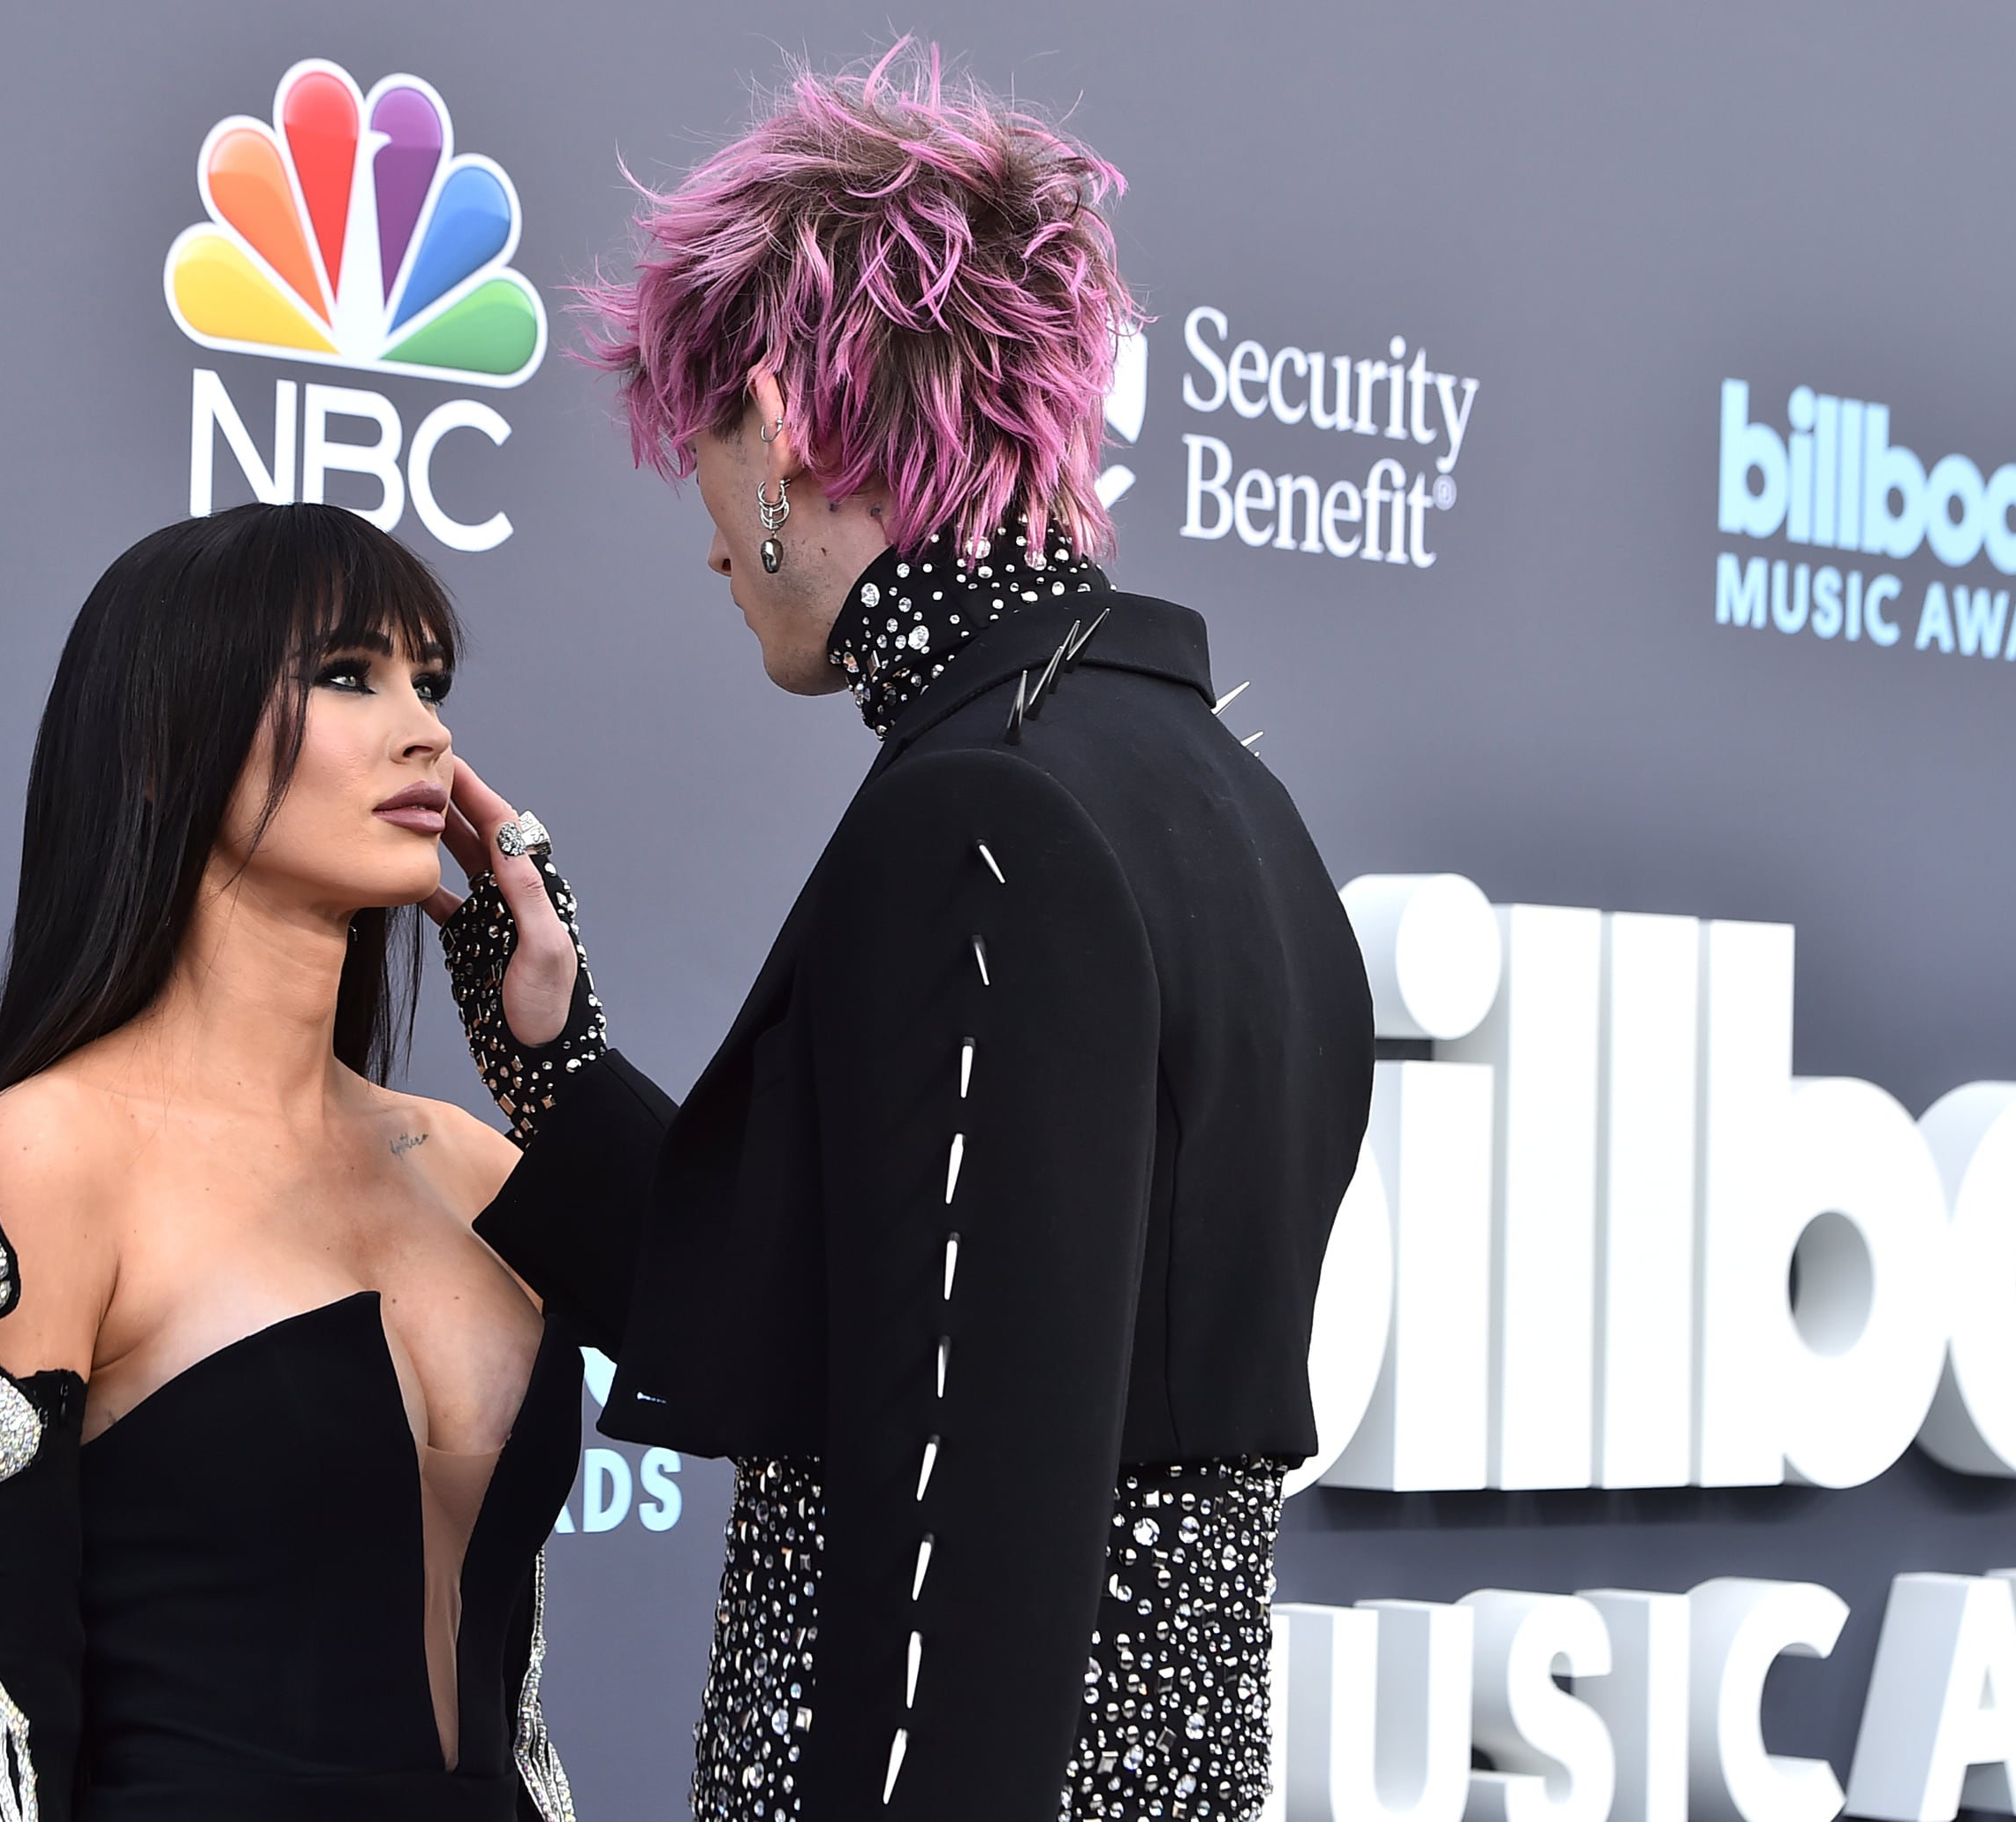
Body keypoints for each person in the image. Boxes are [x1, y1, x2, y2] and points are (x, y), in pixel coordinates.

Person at [428, 44, 1375, 1822]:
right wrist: (550, 1052)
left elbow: (969, 1520)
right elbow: (848, 1325)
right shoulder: (1220, 796)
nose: (710, 543)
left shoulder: (984, 819)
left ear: (780, 428)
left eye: (701, 451)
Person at [0, 503, 582, 1821]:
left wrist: (561, 1057)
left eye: (427, 679)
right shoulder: (54, 1156)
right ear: (165, 739)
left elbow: (762, 1358)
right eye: (347, 675)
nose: (424, 731)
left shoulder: (478, 1165)